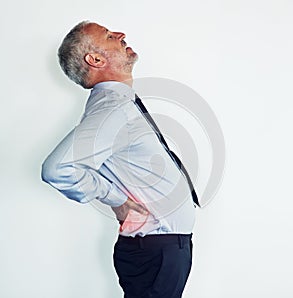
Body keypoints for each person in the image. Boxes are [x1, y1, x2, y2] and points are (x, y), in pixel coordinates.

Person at [41, 21, 198, 298]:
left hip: (159, 248)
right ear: (96, 59)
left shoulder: (116, 106)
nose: (121, 35)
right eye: (109, 36)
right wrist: (116, 199)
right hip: (156, 249)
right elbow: (57, 169)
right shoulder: (113, 108)